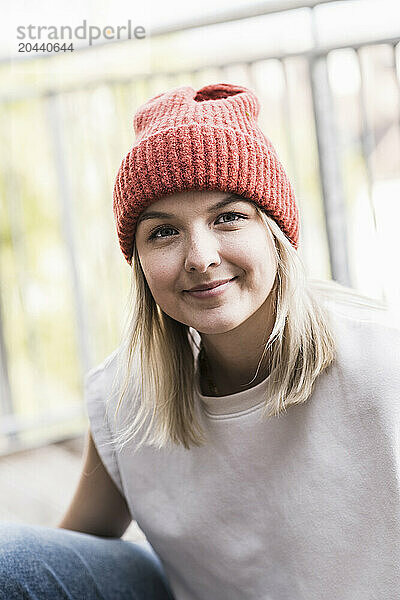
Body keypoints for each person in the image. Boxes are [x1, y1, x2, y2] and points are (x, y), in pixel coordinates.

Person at [1, 82, 399, 600]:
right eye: (163, 232)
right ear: (140, 263)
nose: (200, 256)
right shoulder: (128, 396)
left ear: (274, 234)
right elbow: (56, 564)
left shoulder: (383, 366)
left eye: (228, 217)